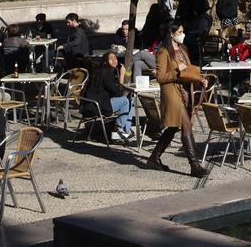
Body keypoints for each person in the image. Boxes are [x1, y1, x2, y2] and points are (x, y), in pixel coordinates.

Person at [147, 22, 207, 177]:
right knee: (186, 127)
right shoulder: (163, 52)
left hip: (185, 92)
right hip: (173, 93)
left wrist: (199, 79)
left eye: (182, 30)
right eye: (180, 31)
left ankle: (154, 157)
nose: (182, 34)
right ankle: (194, 165)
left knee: (173, 128)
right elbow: (160, 78)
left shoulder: (183, 49)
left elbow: (188, 71)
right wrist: (175, 71)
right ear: (172, 34)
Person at [82, 51, 135, 142]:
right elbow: (118, 92)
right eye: (111, 58)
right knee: (126, 101)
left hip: (91, 104)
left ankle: (125, 131)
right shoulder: (106, 74)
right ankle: (118, 129)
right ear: (106, 61)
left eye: (115, 57)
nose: (114, 60)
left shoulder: (100, 71)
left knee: (130, 100)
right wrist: (122, 75)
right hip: (97, 106)